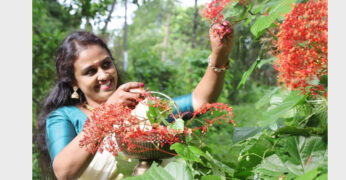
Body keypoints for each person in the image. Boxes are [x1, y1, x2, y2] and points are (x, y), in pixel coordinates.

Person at [35, 22, 233, 180]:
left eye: (106, 64)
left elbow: (199, 102)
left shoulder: (137, 104)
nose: (103, 75)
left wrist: (219, 56)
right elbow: (64, 172)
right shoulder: (64, 116)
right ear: (73, 82)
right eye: (90, 71)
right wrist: (109, 112)